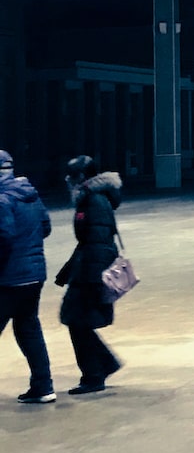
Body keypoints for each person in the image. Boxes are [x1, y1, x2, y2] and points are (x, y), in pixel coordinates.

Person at [56, 156, 123, 395]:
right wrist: (68, 270)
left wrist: (94, 277)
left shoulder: (93, 200)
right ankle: (102, 366)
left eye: (71, 174)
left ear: (82, 177)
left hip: (91, 272)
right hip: (87, 267)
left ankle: (95, 374)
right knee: (76, 319)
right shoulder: (90, 198)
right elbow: (89, 241)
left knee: (76, 318)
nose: (67, 179)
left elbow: (98, 241)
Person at [0, 150, 56, 403]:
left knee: (27, 328)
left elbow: (4, 237)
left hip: (9, 277)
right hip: (34, 274)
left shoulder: (2, 200)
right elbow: (45, 226)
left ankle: (43, 386)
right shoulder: (30, 194)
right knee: (28, 328)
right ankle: (43, 386)